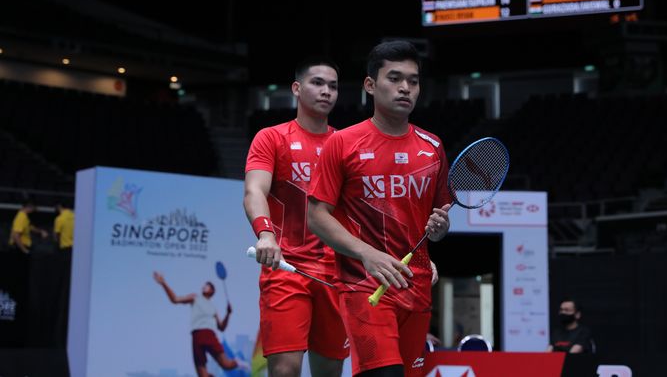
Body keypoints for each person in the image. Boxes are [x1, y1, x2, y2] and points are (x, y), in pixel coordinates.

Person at [308, 40, 451, 377]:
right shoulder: (342, 143)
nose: (405, 88)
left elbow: (438, 221)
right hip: (364, 284)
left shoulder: (432, 148)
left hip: (416, 287)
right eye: (395, 78)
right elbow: (317, 216)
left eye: (413, 81)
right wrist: (366, 253)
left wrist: (441, 230)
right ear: (370, 85)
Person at [243, 57, 349, 377]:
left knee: (329, 371)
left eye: (333, 86)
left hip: (336, 274)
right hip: (286, 266)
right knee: (285, 370)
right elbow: (254, 191)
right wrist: (265, 234)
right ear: (297, 89)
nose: (326, 91)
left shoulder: (347, 145)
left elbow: (364, 212)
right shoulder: (272, 138)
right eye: (317, 83)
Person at [153, 271, 245, 377]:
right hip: (196, 336)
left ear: (212, 291)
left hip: (209, 335)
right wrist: (163, 283)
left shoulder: (213, 308)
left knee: (226, 364)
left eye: (207, 286)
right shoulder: (195, 297)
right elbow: (175, 299)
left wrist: (228, 314)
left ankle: (239, 362)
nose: (204, 286)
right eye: (204, 285)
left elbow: (222, 327)